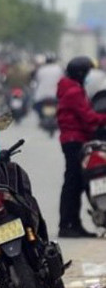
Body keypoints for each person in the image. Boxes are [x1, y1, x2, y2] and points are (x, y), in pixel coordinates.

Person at [57, 56, 106, 238]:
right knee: (73, 183)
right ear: (80, 73)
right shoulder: (74, 91)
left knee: (76, 183)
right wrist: (103, 119)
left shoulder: (71, 88)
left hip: (72, 138)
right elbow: (88, 117)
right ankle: (67, 224)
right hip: (74, 140)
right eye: (86, 73)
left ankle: (74, 224)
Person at [32, 52, 63, 117]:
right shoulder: (59, 69)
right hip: (56, 95)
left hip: (42, 95)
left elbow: (36, 80)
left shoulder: (41, 69)